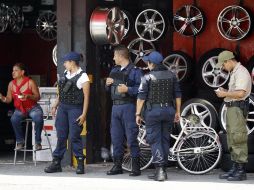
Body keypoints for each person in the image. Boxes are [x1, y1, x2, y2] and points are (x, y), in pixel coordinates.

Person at [136, 51, 181, 181]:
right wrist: (178, 111)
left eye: (147, 62)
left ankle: (160, 170)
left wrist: (138, 113)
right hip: (169, 111)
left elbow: (141, 98)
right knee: (165, 139)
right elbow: (177, 94)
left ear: (151, 64)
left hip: (153, 112)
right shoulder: (172, 76)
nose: (147, 65)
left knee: (155, 140)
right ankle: (163, 170)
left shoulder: (147, 77)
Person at [44, 51, 90, 174]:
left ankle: (80, 162)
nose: (64, 64)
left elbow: (86, 97)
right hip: (63, 108)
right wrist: (55, 105)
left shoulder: (83, 76)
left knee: (75, 136)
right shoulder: (65, 73)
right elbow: (62, 93)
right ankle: (56, 162)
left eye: (65, 62)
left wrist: (84, 114)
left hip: (75, 109)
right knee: (61, 135)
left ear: (72, 62)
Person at [105, 45, 143, 176]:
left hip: (128, 106)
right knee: (116, 137)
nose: (113, 58)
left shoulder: (135, 71)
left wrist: (128, 90)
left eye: (115, 55)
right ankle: (117, 166)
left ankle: (136, 167)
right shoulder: (114, 69)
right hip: (115, 107)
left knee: (131, 137)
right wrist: (107, 84)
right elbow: (108, 90)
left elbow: (142, 90)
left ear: (121, 56)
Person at [215, 50, 251, 181]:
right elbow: (236, 91)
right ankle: (235, 167)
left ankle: (240, 171)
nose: (223, 68)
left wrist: (225, 94)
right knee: (232, 138)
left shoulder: (241, 72)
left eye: (223, 65)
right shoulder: (235, 72)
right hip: (232, 108)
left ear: (228, 61)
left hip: (237, 108)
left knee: (238, 138)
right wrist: (227, 91)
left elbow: (241, 93)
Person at [0, 63, 44, 150]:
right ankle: (20, 142)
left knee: (38, 118)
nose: (13, 72)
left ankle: (38, 142)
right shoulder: (11, 84)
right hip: (20, 109)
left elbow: (37, 97)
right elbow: (9, 99)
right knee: (14, 119)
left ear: (22, 72)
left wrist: (28, 96)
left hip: (33, 108)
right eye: (13, 71)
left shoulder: (30, 82)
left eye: (16, 70)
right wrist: (2, 98)